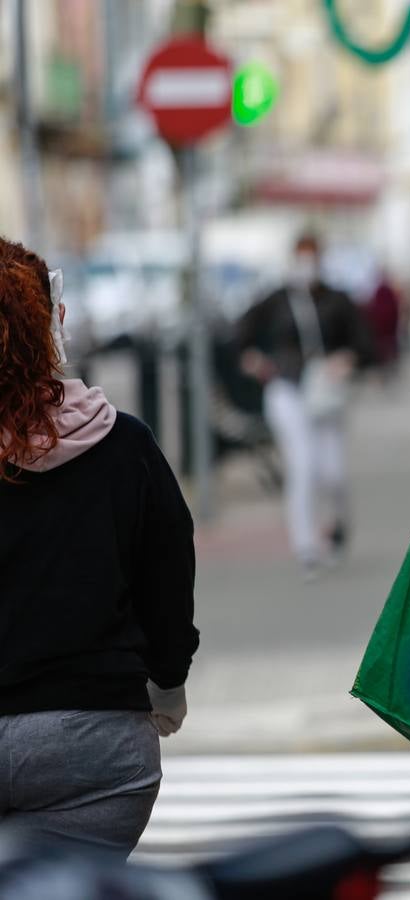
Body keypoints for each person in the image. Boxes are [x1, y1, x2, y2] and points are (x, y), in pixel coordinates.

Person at [0, 237, 198, 857]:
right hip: (92, 750)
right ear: (52, 325)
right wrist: (167, 685)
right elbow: (167, 578)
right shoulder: (122, 446)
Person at [237, 232, 374, 578]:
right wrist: (254, 361)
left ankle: (338, 525)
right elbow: (241, 334)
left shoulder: (337, 300)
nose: (307, 265)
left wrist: (348, 359)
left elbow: (365, 343)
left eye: (312, 257)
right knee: (302, 466)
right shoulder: (276, 299)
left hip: (326, 396)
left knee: (333, 473)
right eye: (302, 256)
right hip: (286, 390)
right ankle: (306, 547)